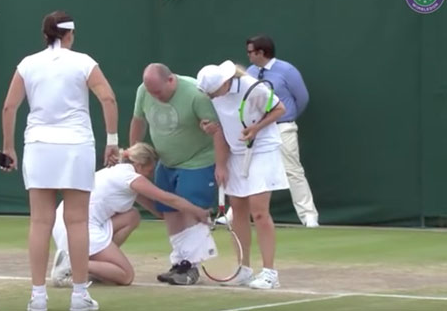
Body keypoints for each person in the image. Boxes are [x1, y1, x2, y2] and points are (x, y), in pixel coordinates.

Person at [1, 10, 119, 311]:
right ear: (69, 34)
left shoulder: (28, 64)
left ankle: (38, 298)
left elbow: (9, 107)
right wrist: (113, 141)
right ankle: (79, 297)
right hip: (76, 146)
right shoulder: (83, 62)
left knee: (40, 222)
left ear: (45, 34)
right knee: (77, 222)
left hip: (39, 147)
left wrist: (8, 148)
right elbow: (108, 98)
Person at [50, 143, 210, 286]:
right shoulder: (130, 178)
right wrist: (199, 212)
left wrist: (181, 219)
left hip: (65, 222)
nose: (150, 173)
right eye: (150, 169)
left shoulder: (118, 172)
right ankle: (72, 263)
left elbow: (158, 209)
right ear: (139, 164)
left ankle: (93, 266)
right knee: (126, 275)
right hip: (78, 227)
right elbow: (168, 198)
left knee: (132, 216)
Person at [129, 63, 228, 285]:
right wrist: (132, 150)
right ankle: (180, 262)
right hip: (166, 161)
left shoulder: (196, 95)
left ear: (171, 80)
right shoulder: (143, 91)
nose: (154, 96)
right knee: (170, 211)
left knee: (191, 210)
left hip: (199, 160)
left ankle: (191, 268)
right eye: (151, 91)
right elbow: (138, 120)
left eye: (158, 91)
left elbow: (217, 131)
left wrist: (221, 166)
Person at [197, 60, 288, 289]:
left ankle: (270, 274)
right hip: (236, 154)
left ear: (225, 82)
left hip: (263, 149)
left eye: (213, 92)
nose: (210, 97)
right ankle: (244, 270)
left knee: (259, 213)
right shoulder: (215, 97)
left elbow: (280, 109)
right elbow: (221, 130)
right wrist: (220, 164)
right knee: (237, 211)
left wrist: (256, 128)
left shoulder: (252, 87)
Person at [217, 35, 319, 228]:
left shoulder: (287, 70)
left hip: (283, 126)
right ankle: (232, 214)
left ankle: (308, 216)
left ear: (261, 52)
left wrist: (286, 118)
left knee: (292, 170)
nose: (247, 56)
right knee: (245, 170)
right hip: (255, 132)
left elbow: (301, 97)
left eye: (250, 52)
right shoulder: (250, 72)